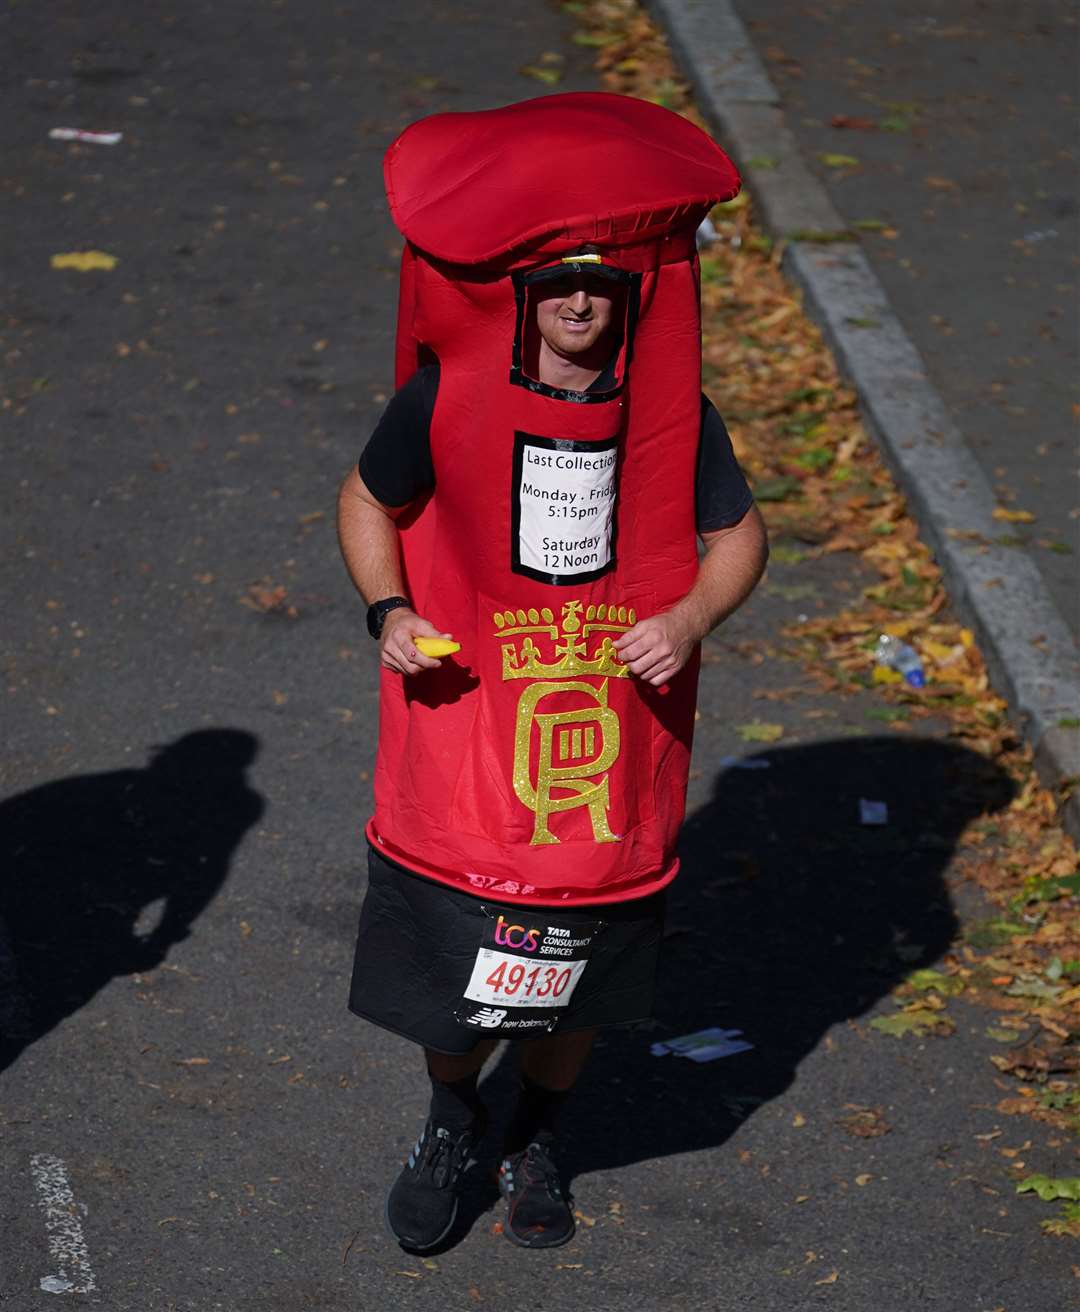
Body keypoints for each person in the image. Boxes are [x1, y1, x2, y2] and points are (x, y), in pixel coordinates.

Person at [337, 93, 767, 1252]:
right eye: (557, 282)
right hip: (471, 729)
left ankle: (540, 1131)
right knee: (458, 966)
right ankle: (448, 1115)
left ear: (631, 298)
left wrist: (689, 617)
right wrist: (388, 609)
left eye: (603, 284)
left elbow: (740, 537)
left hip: (610, 749)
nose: (580, 301)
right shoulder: (446, 395)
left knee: (579, 967)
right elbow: (369, 500)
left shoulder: (676, 417)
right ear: (522, 294)